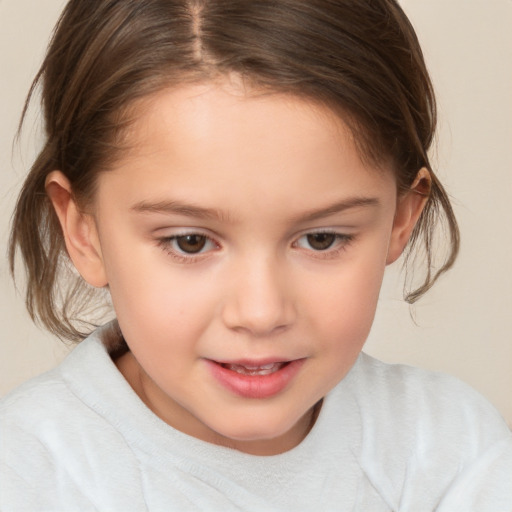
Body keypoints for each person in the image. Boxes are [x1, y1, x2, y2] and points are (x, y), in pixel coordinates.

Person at [1, 0, 511, 510]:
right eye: (190, 242)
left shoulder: (448, 453)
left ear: (400, 218)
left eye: (321, 239)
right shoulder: (26, 475)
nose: (261, 313)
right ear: (83, 229)